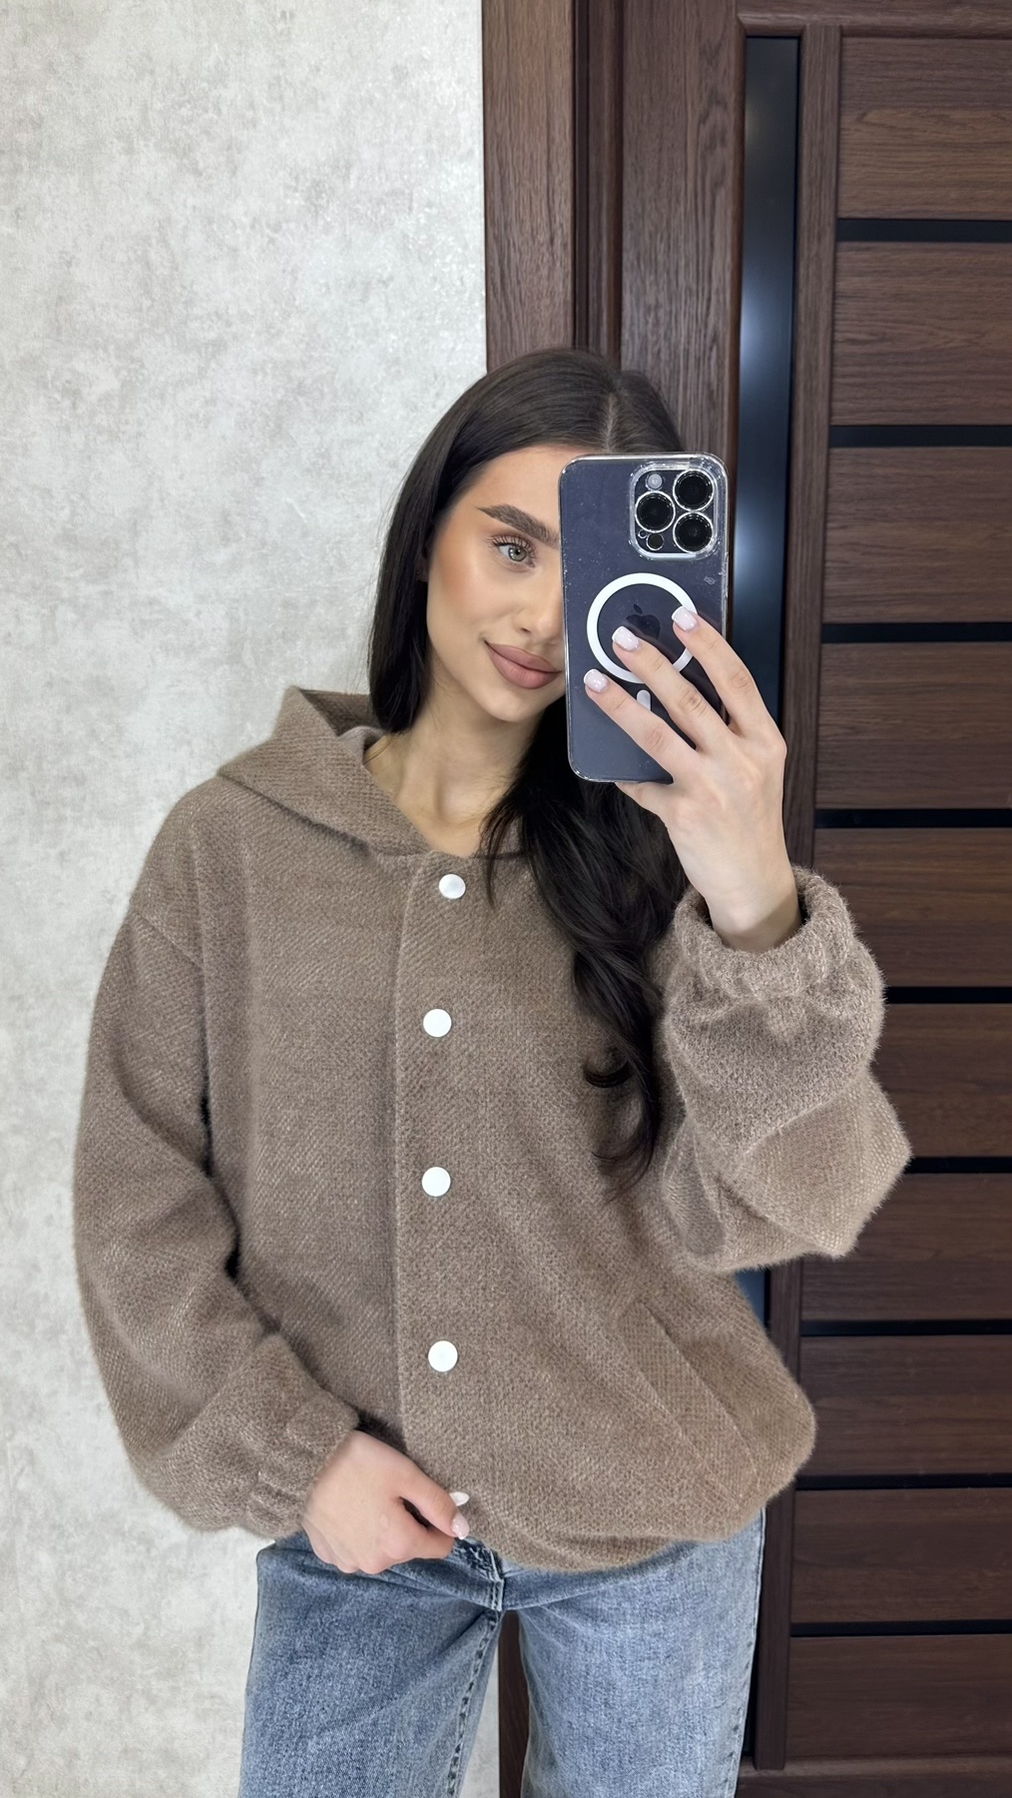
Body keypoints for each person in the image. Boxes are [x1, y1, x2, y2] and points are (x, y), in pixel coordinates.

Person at [72, 347, 912, 1797]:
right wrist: (297, 1459)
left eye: (582, 574)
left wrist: (753, 902)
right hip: (357, 1523)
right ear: (426, 542)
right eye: (510, 545)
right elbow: (134, 1196)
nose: (538, 616)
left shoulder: (665, 864)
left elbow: (782, 1205)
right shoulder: (230, 849)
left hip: (653, 1522)